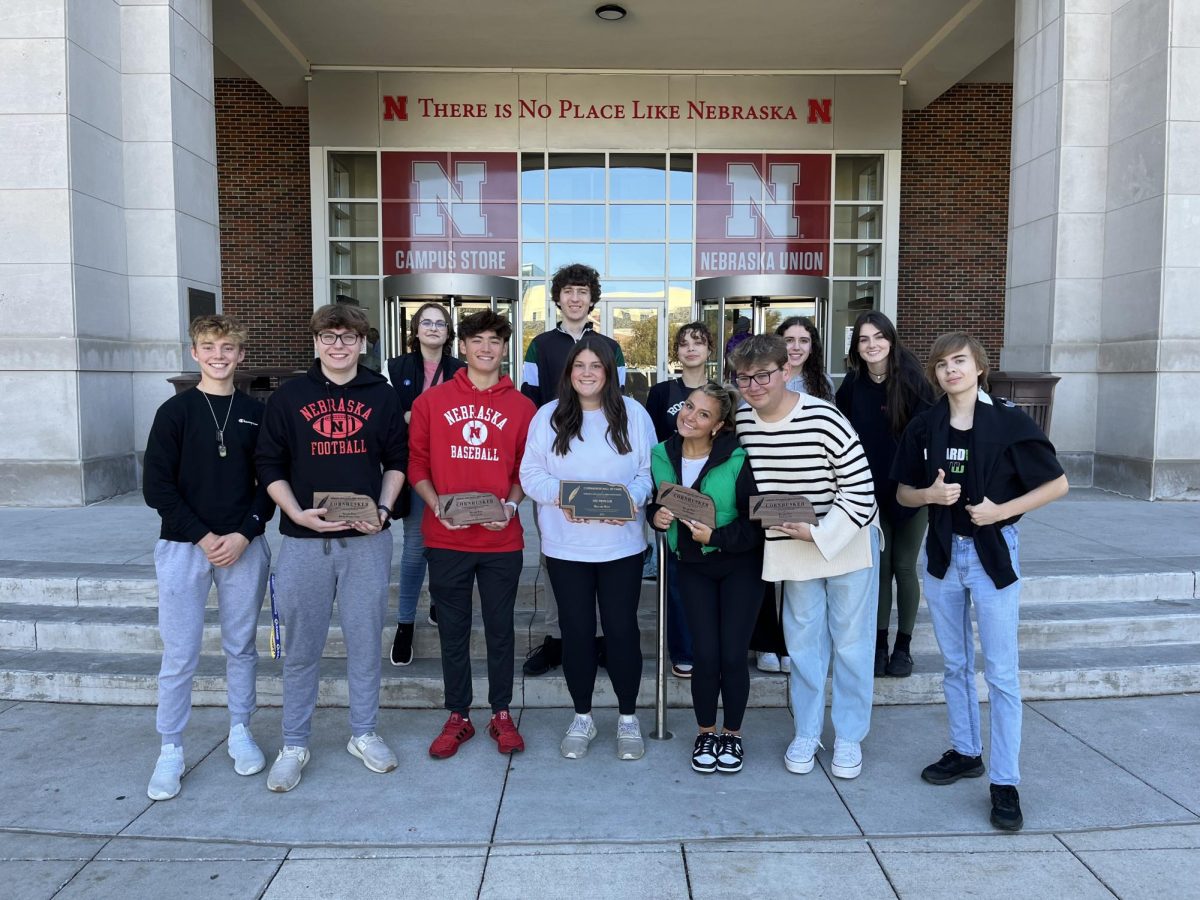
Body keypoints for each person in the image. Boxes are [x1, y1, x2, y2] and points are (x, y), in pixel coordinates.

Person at [893, 332, 1068, 832]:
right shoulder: (926, 426)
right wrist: (928, 494)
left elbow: (1057, 483)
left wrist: (1000, 512)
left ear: (979, 368)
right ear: (934, 374)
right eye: (942, 363)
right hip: (945, 555)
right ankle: (967, 751)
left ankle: (1006, 782)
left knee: (1002, 673)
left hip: (992, 555)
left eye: (960, 362)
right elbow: (903, 492)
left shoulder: (1008, 422)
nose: (951, 370)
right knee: (954, 663)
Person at [256, 303, 407, 793]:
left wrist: (383, 511)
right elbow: (268, 462)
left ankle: (363, 733)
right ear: (316, 341)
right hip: (304, 542)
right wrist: (294, 513)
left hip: (366, 541)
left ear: (363, 343)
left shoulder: (380, 395)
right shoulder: (291, 397)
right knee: (302, 648)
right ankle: (294, 742)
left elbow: (397, 460)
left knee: (365, 643)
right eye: (328, 336)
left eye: (347, 337)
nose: (338, 345)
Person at [731, 334, 879, 781]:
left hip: (846, 540)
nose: (754, 386)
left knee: (852, 645)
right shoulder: (742, 421)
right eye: (744, 378)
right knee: (803, 646)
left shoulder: (824, 417)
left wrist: (821, 533)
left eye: (763, 376)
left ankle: (849, 736)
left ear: (787, 372)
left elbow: (862, 491)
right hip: (791, 547)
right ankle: (808, 730)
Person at [142, 315, 275, 801]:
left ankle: (240, 730)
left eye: (228, 348)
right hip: (183, 547)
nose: (219, 355)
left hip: (244, 546)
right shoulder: (174, 413)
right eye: (209, 346)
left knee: (241, 647)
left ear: (241, 356)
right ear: (195, 353)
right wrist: (203, 537)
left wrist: (244, 533)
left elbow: (271, 482)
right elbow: (156, 488)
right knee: (180, 653)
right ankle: (170, 747)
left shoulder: (258, 412)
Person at [519, 335, 655, 761]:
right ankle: (582, 716)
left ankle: (628, 718)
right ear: (568, 373)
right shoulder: (548, 416)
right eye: (580, 366)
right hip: (566, 547)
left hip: (621, 546)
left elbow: (648, 473)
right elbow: (530, 475)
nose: (588, 373)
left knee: (621, 632)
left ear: (610, 372)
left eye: (596, 365)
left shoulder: (633, 414)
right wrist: (568, 496)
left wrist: (628, 501)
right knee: (576, 635)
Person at [407, 310, 536, 759]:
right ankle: (458, 715)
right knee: (453, 630)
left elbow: (525, 470)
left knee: (501, 630)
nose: (486, 348)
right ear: (462, 346)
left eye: (494, 341)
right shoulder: (431, 402)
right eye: (477, 339)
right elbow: (417, 464)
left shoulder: (523, 407)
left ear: (505, 349)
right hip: (446, 537)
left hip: (502, 539)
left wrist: (512, 504)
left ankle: (501, 713)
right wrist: (435, 503)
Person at [647, 384, 763, 774]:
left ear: (719, 425)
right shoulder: (661, 454)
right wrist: (656, 517)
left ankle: (732, 734)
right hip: (692, 566)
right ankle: (705, 732)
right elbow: (657, 502)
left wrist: (716, 537)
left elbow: (756, 527)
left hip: (739, 566)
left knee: (732, 655)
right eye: (689, 407)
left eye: (702, 414)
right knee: (705, 655)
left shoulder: (738, 459)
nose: (689, 417)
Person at [520, 263, 626, 677]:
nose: (575, 298)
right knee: (554, 558)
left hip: (604, 468)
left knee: (604, 558)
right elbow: (529, 402)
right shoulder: (539, 345)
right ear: (558, 298)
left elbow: (620, 400)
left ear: (591, 297)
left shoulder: (609, 346)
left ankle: (597, 639)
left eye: (582, 291)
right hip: (555, 467)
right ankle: (557, 638)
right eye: (568, 291)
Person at [836, 311, 934, 679]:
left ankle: (903, 648)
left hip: (911, 490)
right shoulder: (853, 385)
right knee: (879, 570)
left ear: (891, 340)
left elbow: (930, 436)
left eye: (878, 337)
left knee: (904, 567)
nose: (872, 344)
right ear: (856, 347)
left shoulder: (913, 382)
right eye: (864, 339)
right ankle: (878, 645)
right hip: (869, 493)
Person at [386, 302, 466, 666]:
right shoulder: (395, 367)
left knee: (448, 540)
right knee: (416, 544)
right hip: (414, 466)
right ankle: (406, 625)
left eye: (440, 323)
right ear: (415, 329)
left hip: (453, 466)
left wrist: (417, 415)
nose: (433, 328)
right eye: (426, 322)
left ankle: (438, 599)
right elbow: (387, 416)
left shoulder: (461, 370)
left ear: (448, 333)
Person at [644, 322, 716, 678]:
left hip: (710, 496)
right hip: (672, 493)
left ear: (709, 350)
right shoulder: (661, 392)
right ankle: (683, 649)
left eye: (698, 343)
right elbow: (652, 445)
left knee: (708, 575)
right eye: (684, 343)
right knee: (673, 577)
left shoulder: (720, 393)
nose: (691, 349)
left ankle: (710, 645)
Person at [776, 316, 834, 401]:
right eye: (789, 340)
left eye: (804, 341)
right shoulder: (764, 378)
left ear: (811, 348)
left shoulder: (824, 382)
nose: (796, 347)